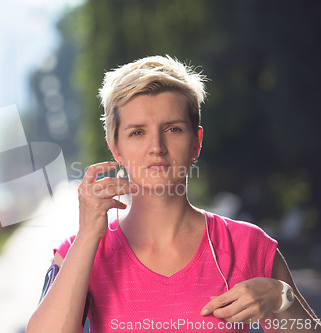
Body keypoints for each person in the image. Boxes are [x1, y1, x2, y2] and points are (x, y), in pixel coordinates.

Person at [26, 55, 320, 332]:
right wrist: (89, 234)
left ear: (197, 142)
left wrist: (281, 296)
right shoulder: (82, 252)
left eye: (173, 129)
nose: (157, 146)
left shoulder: (246, 245)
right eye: (137, 132)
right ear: (115, 147)